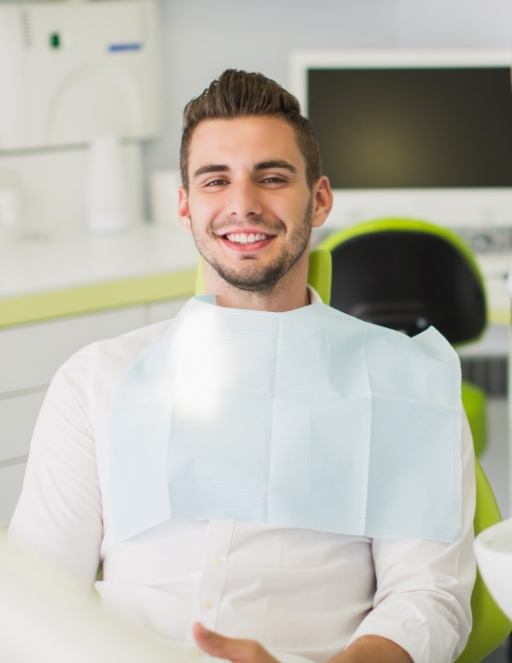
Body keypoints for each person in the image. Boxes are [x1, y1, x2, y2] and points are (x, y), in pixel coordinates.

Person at [9, 70, 476, 663]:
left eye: (273, 177)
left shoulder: (405, 384)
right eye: (215, 180)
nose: (243, 205)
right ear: (185, 206)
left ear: (321, 198)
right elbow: (38, 594)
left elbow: (427, 598)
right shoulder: (97, 381)